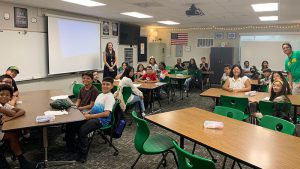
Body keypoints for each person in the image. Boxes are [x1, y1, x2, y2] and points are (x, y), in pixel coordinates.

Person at [65, 77, 115, 163]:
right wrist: (87, 113)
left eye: (108, 84)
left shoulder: (110, 97)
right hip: (93, 116)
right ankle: (71, 149)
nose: (105, 86)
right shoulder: (100, 95)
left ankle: (82, 155)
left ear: (112, 86)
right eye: (103, 84)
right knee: (71, 124)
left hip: (101, 120)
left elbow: (106, 114)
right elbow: (95, 108)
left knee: (83, 130)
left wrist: (90, 116)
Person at [0, 84, 35, 169]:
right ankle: (23, 162)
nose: (4, 96)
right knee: (12, 135)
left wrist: (8, 119)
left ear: (10, 97)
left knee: (14, 133)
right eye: (1, 94)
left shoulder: (5, 104)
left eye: (7, 95)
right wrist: (10, 115)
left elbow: (22, 111)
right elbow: (12, 113)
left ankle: (22, 161)